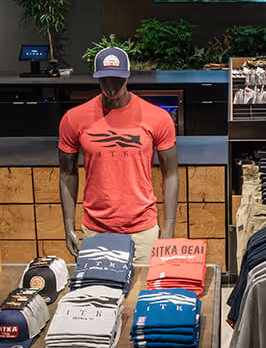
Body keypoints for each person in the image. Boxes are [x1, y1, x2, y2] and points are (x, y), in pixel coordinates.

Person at [58, 47, 179, 266]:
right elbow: (67, 174)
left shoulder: (158, 118)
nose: (111, 86)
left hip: (143, 231)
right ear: (97, 78)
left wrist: (169, 229)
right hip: (96, 230)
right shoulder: (73, 119)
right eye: (105, 79)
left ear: (127, 76)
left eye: (117, 79)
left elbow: (170, 174)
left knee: (143, 288)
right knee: (97, 288)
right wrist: (68, 226)